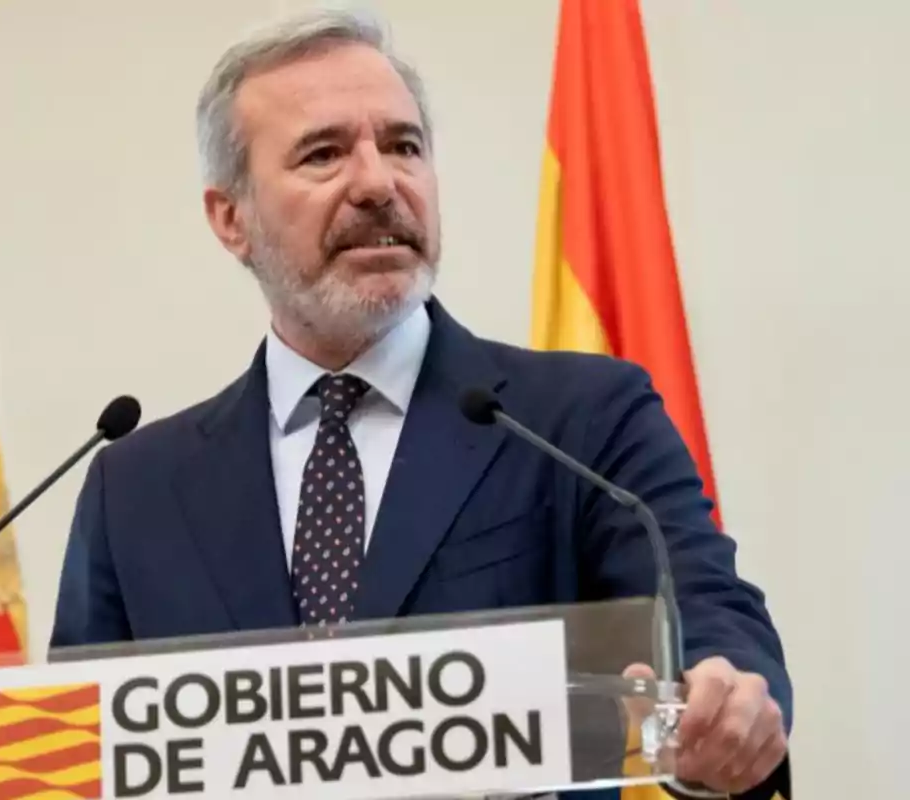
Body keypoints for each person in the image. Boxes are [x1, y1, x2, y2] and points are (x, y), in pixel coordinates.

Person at [50, 9, 791, 799]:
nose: (378, 183)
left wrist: (727, 694)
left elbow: (707, 612)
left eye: (404, 146)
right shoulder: (134, 488)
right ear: (231, 218)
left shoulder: (581, 420)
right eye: (324, 153)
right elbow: (75, 759)